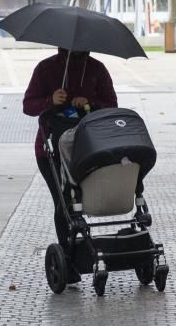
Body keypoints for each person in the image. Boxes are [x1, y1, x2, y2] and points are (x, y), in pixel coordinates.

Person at [23, 48, 118, 281]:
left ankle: (80, 249)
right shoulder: (46, 68)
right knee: (63, 202)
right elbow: (28, 106)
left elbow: (112, 105)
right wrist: (50, 100)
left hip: (89, 149)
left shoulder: (96, 69)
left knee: (78, 202)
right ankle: (70, 260)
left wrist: (90, 102)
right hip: (50, 151)